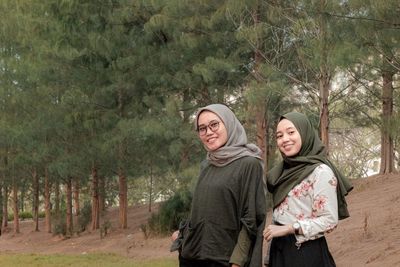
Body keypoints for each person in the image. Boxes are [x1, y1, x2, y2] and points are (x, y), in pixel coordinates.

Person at [171, 103, 266, 267]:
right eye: (202, 128)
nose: (208, 132)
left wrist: (238, 261)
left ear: (228, 123)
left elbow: (251, 218)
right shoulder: (207, 164)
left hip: (225, 259)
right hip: (192, 256)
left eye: (214, 124)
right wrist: (183, 234)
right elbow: (201, 210)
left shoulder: (248, 164)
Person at [263, 112, 353, 267]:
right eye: (279, 135)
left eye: (291, 132)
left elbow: (329, 221)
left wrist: (290, 228)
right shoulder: (283, 170)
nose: (285, 139)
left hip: (305, 252)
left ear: (304, 133)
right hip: (280, 250)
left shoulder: (320, 172)